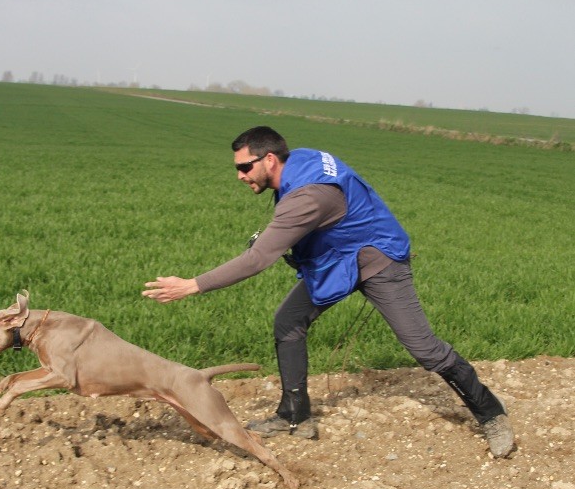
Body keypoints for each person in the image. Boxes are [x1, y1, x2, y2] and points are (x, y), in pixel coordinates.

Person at [142, 126, 515, 457]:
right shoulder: (300, 160)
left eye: (244, 167)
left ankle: (491, 414)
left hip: (379, 262)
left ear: (269, 159)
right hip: (337, 261)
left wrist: (192, 285)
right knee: (288, 322)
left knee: (425, 349)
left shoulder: (309, 196)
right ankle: (295, 417)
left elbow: (258, 259)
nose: (240, 176)